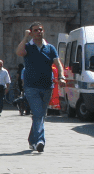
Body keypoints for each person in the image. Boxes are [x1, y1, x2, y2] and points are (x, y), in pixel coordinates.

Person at [15, 22, 65, 152]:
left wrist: (61, 76)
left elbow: (58, 64)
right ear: (31, 32)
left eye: (41, 30)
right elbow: (19, 52)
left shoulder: (50, 48)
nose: (39, 32)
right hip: (31, 86)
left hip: (47, 86)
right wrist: (26, 37)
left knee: (41, 115)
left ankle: (32, 140)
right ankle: (40, 141)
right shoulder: (27, 47)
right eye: (36, 30)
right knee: (38, 114)